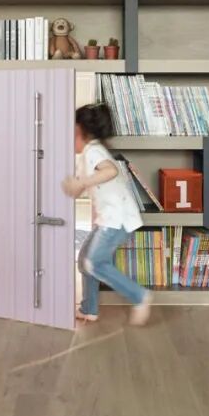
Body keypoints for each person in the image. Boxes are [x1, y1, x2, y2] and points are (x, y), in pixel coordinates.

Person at [62, 103, 151, 325]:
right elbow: (82, 186)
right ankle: (89, 309)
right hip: (108, 219)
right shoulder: (87, 156)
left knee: (94, 262)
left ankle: (139, 296)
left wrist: (81, 182)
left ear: (80, 132)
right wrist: (75, 186)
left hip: (117, 219)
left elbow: (111, 170)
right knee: (84, 260)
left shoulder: (93, 150)